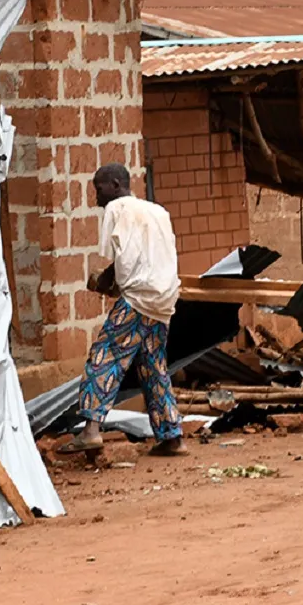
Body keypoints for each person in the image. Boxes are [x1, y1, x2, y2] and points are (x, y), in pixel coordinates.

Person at [61, 163, 186, 456]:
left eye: (98, 189)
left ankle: (91, 431)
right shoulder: (158, 212)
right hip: (164, 300)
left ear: (116, 185)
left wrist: (105, 281)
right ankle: (172, 436)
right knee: (153, 366)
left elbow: (122, 261)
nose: (96, 198)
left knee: (104, 357)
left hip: (138, 299)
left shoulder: (116, 209)